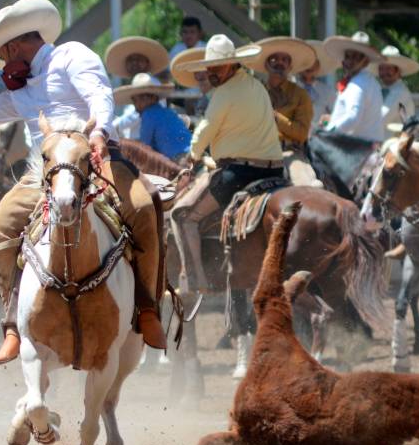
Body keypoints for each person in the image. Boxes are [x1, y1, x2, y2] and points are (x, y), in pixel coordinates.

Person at [0, 0, 167, 366]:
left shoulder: (71, 56)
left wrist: (99, 133)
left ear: (15, 44)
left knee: (143, 207)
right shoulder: (21, 89)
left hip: (94, 157)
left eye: (2, 52)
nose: (1, 61)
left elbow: (99, 95)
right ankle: (13, 323)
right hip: (44, 171)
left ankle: (147, 308)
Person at [170, 34, 282, 293]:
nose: (212, 72)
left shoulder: (224, 93)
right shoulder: (256, 86)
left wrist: (193, 157)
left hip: (239, 173)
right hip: (275, 169)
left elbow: (204, 132)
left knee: (183, 216)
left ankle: (197, 279)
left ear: (232, 65)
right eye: (210, 67)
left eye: (217, 67)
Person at [245, 36, 321, 187]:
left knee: (307, 187)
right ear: (266, 65)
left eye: (284, 60)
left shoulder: (300, 95)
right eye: (274, 59)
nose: (279, 63)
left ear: (290, 67)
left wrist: (273, 116)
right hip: (257, 153)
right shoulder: (255, 92)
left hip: (289, 153)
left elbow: (301, 133)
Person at [321, 31, 385, 143]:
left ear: (365, 62)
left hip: (358, 149)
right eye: (348, 56)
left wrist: (328, 131)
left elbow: (352, 117)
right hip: (367, 146)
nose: (350, 61)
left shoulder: (358, 83)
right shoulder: (371, 81)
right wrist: (333, 120)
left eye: (355, 57)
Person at [104, 36, 170, 140]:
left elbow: (135, 115)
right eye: (130, 60)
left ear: (147, 64)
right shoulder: (133, 85)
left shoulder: (151, 83)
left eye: (139, 59)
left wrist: (109, 128)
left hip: (149, 143)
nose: (134, 63)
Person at [114, 73, 190, 162]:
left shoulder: (148, 115)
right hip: (188, 153)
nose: (136, 104)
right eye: (134, 100)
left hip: (177, 159)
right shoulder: (167, 111)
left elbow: (145, 149)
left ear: (153, 98)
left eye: (141, 98)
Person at [374, 45, 419, 132]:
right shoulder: (386, 89)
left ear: (398, 71)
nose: (384, 72)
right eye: (381, 68)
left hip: (396, 142)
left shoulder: (399, 92)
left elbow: (383, 117)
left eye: (388, 68)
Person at [297, 40, 338, 127]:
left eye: (313, 62)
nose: (309, 66)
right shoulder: (291, 88)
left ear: (318, 66)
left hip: (319, 137)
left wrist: (327, 121)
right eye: (306, 62)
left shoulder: (327, 91)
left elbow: (338, 115)